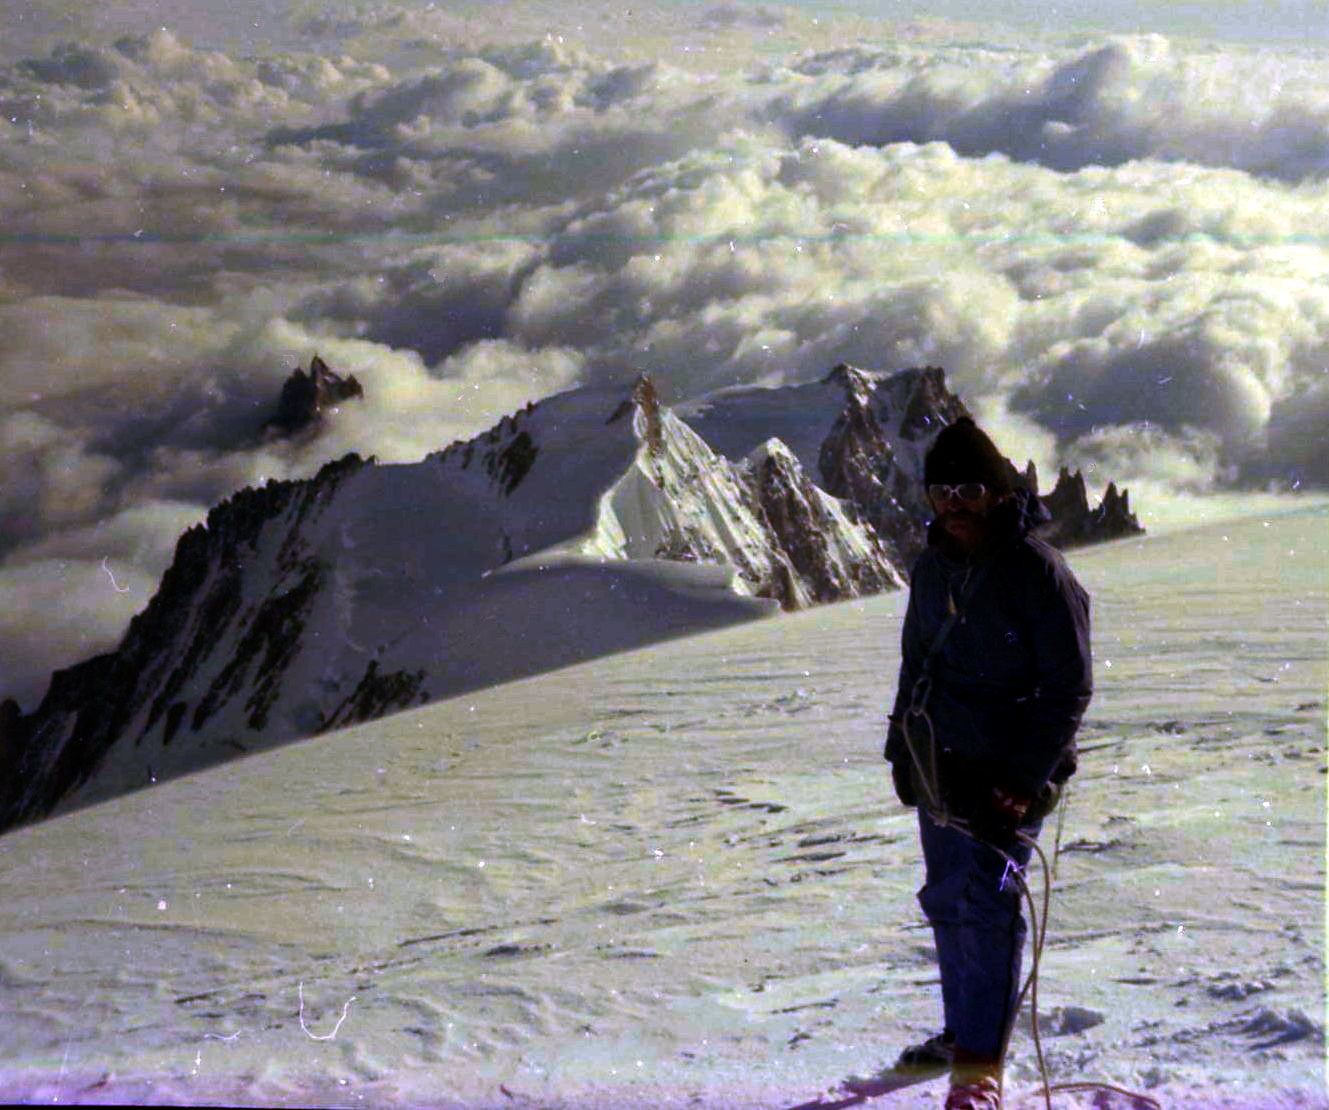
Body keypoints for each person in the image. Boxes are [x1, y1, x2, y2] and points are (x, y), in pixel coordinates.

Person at [883, 417, 1093, 1110]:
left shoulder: (1037, 572)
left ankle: (979, 1072)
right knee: (947, 901)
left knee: (988, 909)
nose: (955, 503)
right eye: (942, 489)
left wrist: (1020, 782)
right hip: (939, 763)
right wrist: (899, 747)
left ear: (1000, 494)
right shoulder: (930, 564)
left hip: (1004, 774)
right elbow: (916, 661)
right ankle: (963, 1033)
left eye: (971, 488)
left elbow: (1067, 687)